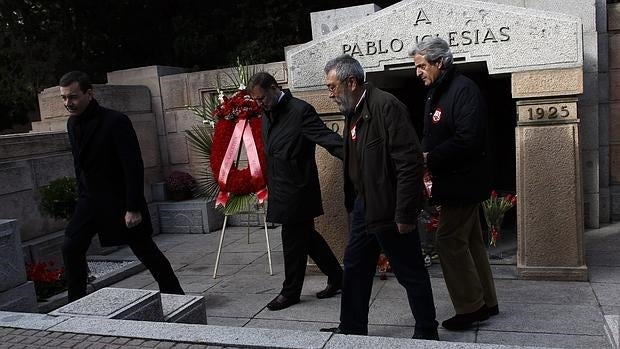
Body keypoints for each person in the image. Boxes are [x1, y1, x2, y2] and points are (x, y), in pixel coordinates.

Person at [321, 55, 439, 340]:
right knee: (355, 266)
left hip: (389, 206)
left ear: (351, 82)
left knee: (409, 272)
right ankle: (352, 327)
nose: (331, 94)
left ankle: (427, 331)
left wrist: (404, 214)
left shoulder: (386, 106)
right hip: (365, 205)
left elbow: (409, 163)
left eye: (333, 87)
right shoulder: (352, 109)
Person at [59, 71, 184, 302]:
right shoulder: (72, 123)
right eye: (65, 98)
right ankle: (76, 303)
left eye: (73, 97)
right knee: (71, 247)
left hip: (120, 200)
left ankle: (177, 297)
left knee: (146, 251)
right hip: (89, 201)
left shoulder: (115, 121)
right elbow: (80, 166)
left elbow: (133, 165)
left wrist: (133, 206)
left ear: (89, 93)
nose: (69, 103)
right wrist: (81, 199)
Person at [409, 37, 499, 330]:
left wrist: (430, 158)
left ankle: (470, 308)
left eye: (422, 66)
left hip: (464, 182)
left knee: (447, 241)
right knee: (470, 240)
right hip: (455, 181)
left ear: (439, 62)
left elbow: (468, 139)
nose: (418, 72)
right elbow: (433, 132)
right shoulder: (438, 91)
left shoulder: (463, 90)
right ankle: (487, 302)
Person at [247, 72, 344, 311]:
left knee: (292, 243)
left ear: (274, 88)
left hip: (298, 190)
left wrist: (360, 156)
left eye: (262, 99)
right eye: (256, 101)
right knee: (307, 239)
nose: (259, 104)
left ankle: (290, 292)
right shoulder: (266, 113)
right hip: (280, 187)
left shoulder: (301, 111)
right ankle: (338, 276)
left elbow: (328, 138)